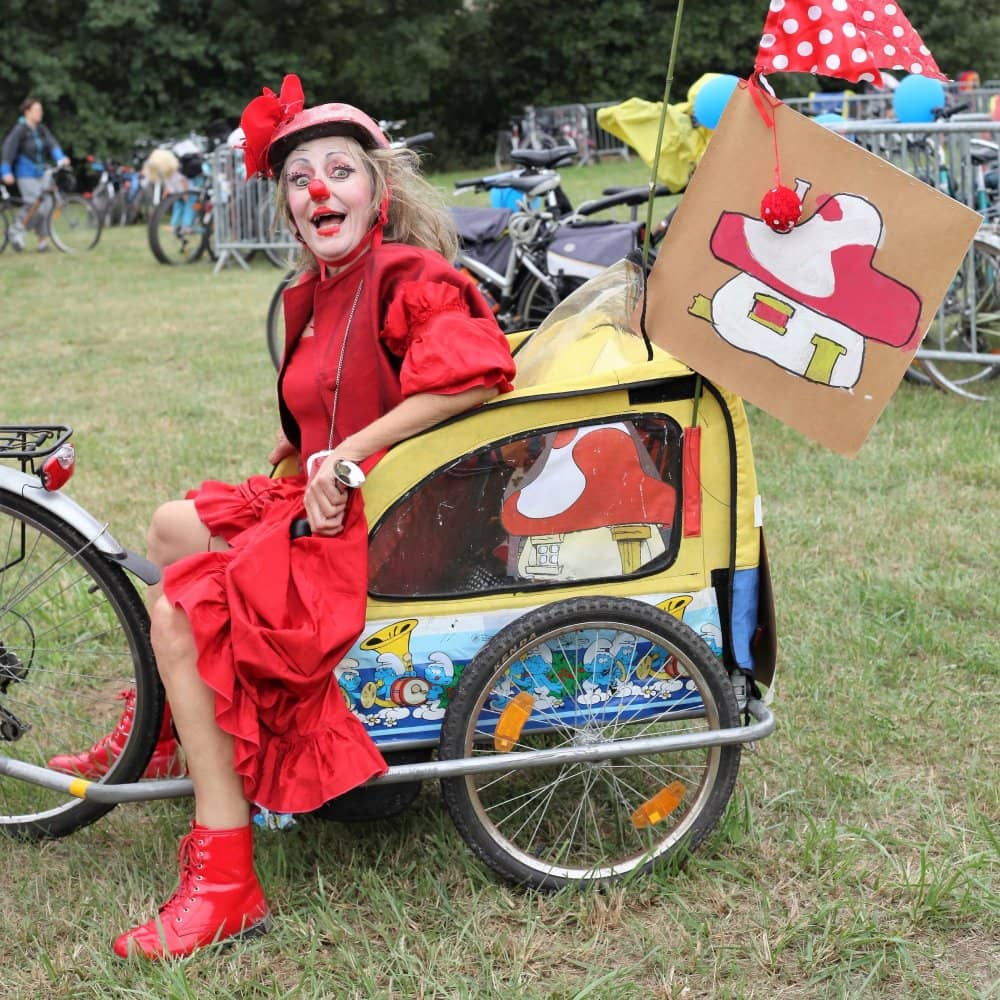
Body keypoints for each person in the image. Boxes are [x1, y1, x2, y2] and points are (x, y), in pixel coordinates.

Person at [51, 74, 516, 960]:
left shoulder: (406, 273)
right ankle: (163, 732)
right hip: (338, 496)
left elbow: (469, 372)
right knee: (171, 526)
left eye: (341, 169)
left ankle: (225, 879)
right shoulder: (324, 286)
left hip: (389, 520)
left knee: (182, 611)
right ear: (290, 210)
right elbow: (331, 390)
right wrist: (302, 440)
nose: (318, 188)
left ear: (379, 188)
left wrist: (346, 452)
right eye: (301, 177)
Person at [1, 97, 71, 252]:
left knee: (47, 206)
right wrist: (5, 171)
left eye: (41, 110)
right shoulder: (20, 129)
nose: (40, 113)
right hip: (25, 173)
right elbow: (8, 150)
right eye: (37, 110)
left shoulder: (41, 129)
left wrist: (60, 158)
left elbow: (52, 144)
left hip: (42, 172)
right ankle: (16, 230)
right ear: (27, 112)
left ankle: (41, 242)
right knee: (34, 204)